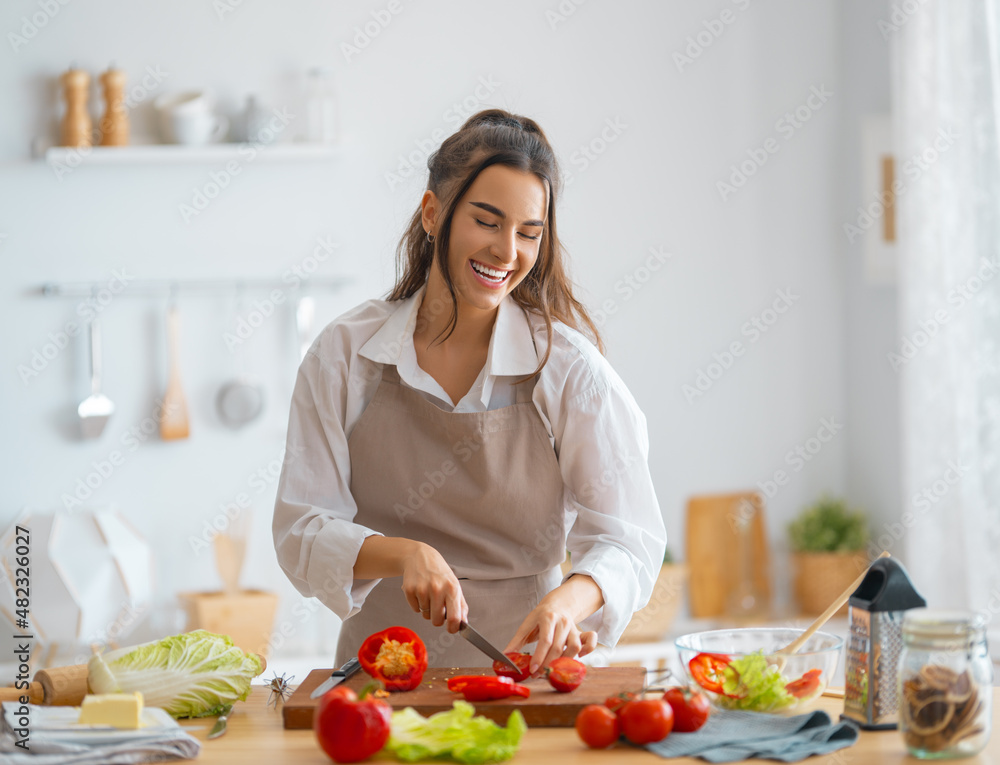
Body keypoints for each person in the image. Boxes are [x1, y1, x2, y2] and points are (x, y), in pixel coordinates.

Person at [272, 108, 666, 675]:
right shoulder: (344, 355)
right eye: (487, 221)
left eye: (529, 233)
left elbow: (630, 540)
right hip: (377, 682)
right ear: (433, 214)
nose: (508, 252)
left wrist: (566, 602)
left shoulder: (570, 371)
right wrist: (405, 553)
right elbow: (301, 530)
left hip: (522, 676)